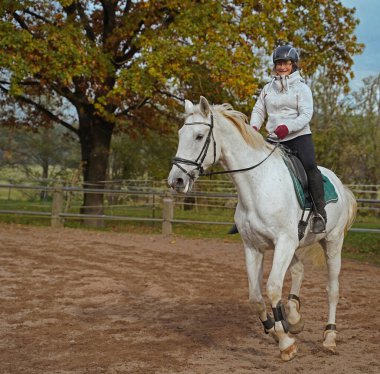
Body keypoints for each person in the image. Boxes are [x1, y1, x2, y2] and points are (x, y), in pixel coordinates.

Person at [249, 45, 327, 233]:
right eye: (278, 63)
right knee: (255, 170)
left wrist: (288, 127)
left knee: (309, 166)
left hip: (298, 136)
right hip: (274, 138)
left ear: (292, 64)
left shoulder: (302, 88)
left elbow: (306, 114)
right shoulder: (268, 89)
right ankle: (249, 213)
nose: (282, 67)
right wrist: (253, 127)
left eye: (285, 63)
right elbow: (259, 110)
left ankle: (320, 214)